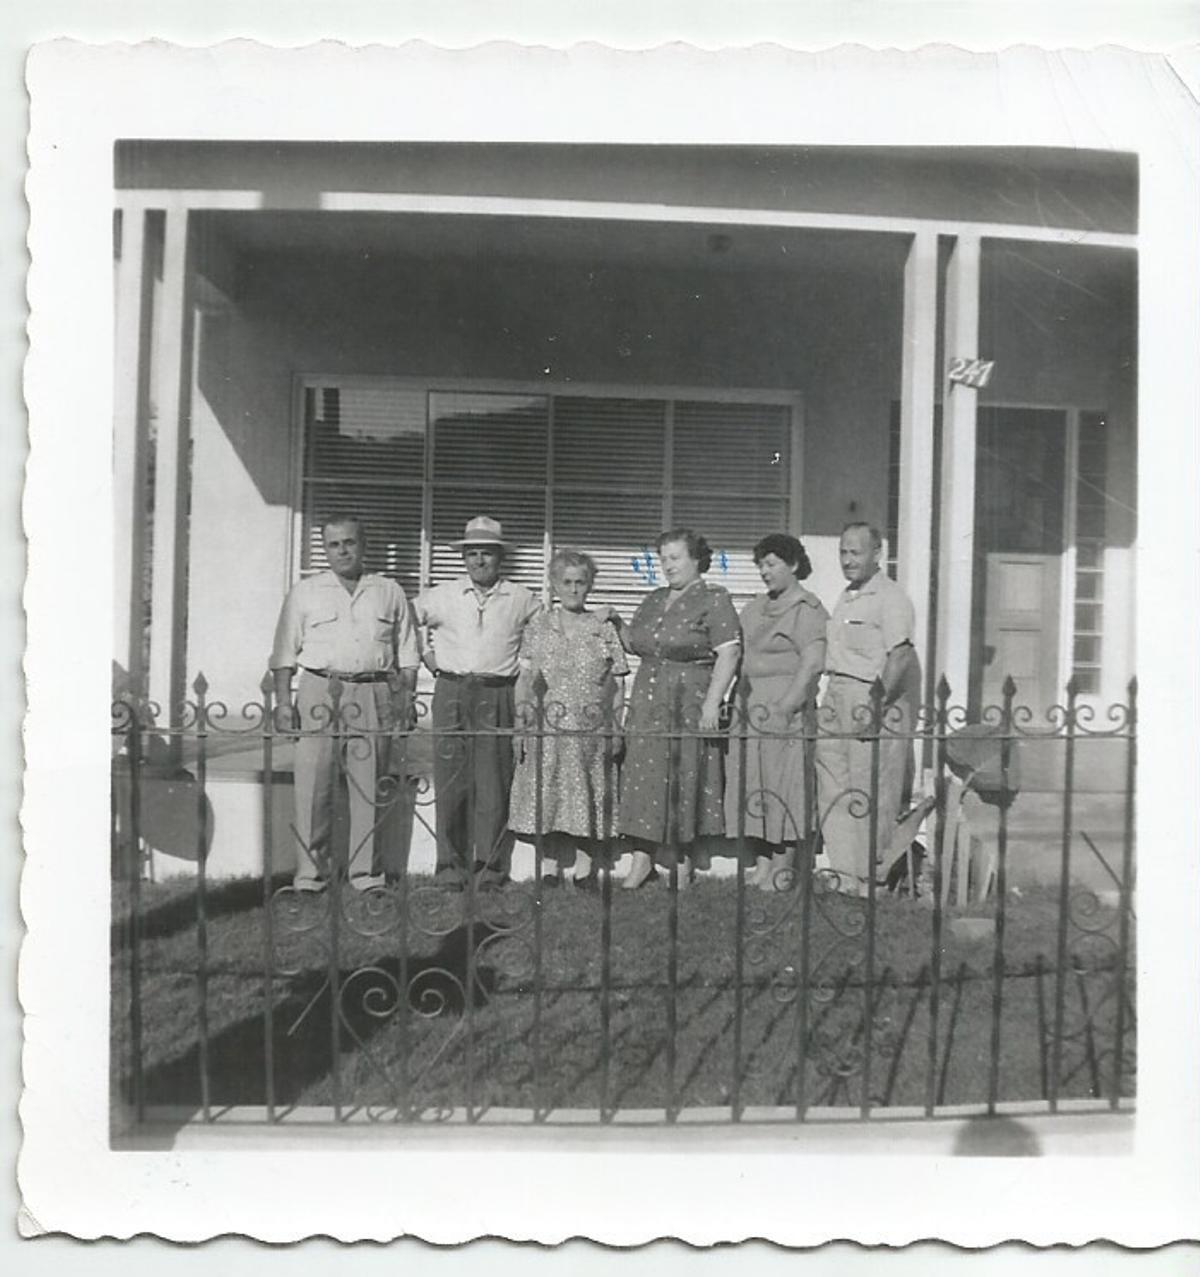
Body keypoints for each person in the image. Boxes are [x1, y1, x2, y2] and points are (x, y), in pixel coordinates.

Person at [270, 516, 419, 893]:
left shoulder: (388, 591)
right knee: (313, 788)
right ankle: (310, 877)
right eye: (334, 545)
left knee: (369, 788)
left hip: (373, 692)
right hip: (320, 691)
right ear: (325, 549)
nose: (343, 551)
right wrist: (285, 703)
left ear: (363, 544)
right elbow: (284, 653)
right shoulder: (306, 592)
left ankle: (367, 876)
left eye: (350, 542)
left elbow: (407, 653)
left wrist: (405, 700)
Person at [415, 516, 541, 889]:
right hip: (452, 689)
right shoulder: (443, 594)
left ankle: (490, 869)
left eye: (486, 553)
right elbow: (406, 621)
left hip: (498, 692)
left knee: (493, 783)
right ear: (463, 557)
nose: (479, 561)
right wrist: (426, 656)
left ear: (500, 557)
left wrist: (524, 668)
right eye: (472, 554)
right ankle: (450, 868)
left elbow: (540, 634)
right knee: (452, 781)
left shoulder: (520, 598)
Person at [615, 528, 741, 890]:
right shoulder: (654, 598)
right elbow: (637, 644)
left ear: (696, 559)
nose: (667, 566)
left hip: (688, 700)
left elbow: (729, 652)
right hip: (648, 701)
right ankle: (642, 861)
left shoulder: (713, 598)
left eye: (675, 558)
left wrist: (713, 703)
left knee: (684, 777)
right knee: (643, 778)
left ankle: (683, 863)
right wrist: (615, 622)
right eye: (663, 559)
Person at [508, 550, 628, 886]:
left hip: (590, 722)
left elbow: (617, 683)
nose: (574, 589)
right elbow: (525, 681)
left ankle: (585, 867)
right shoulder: (539, 626)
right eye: (567, 582)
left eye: (581, 583)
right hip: (548, 722)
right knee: (549, 791)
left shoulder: (602, 628)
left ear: (589, 586)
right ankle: (548, 866)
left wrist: (616, 726)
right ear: (554, 585)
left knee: (587, 791)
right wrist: (522, 725)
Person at [814, 522, 921, 895]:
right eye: (843, 552)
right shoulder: (848, 596)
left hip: (870, 696)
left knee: (868, 791)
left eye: (855, 552)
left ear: (878, 554)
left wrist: (875, 707)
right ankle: (844, 873)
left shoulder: (890, 598)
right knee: (833, 788)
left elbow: (901, 654)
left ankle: (869, 877)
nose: (847, 560)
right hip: (836, 694)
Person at [725, 533, 828, 892]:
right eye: (761, 565)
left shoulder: (807, 609)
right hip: (750, 707)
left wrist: (787, 706)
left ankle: (785, 868)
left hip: (785, 707)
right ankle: (765, 862)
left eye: (772, 564)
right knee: (756, 785)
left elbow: (812, 665)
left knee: (784, 786)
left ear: (793, 564)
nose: (764, 572)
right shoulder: (755, 607)